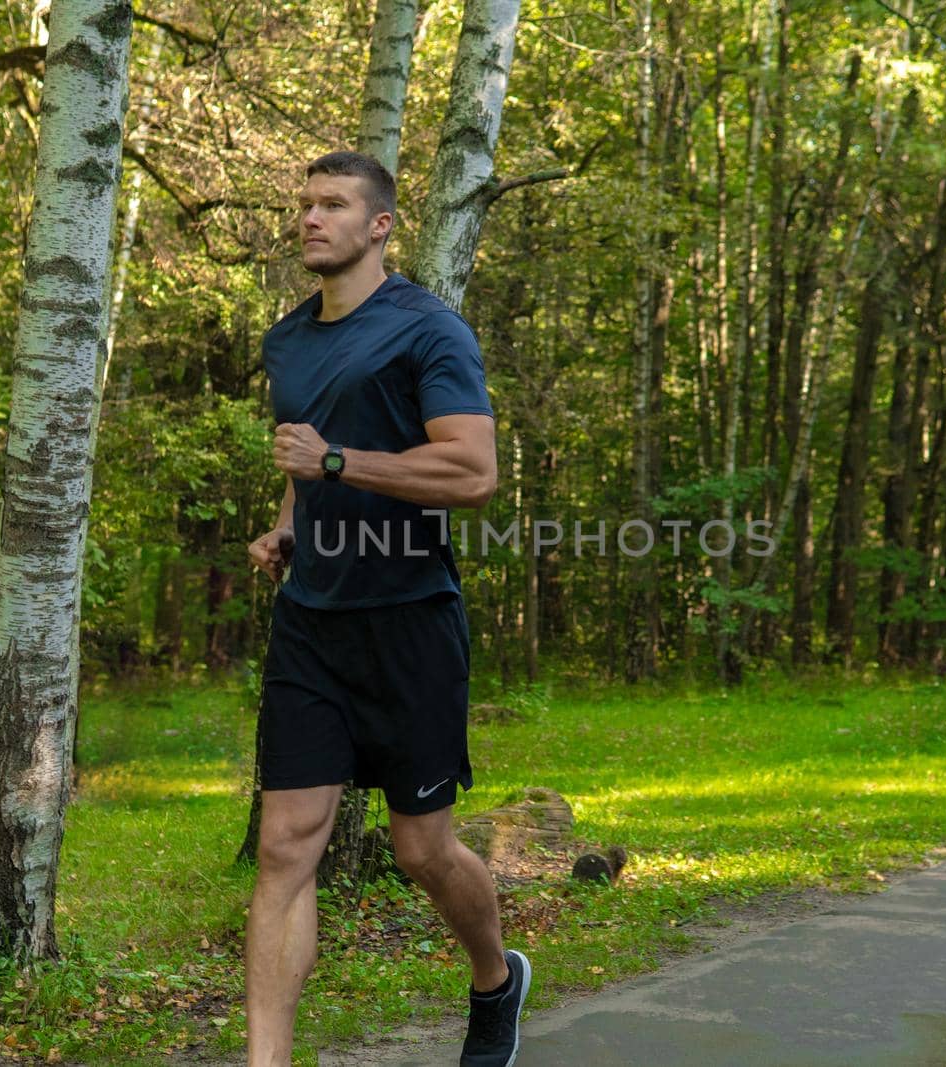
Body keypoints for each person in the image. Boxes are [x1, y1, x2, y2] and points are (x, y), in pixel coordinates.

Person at [244, 150, 530, 1067]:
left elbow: (472, 473)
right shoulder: (287, 340)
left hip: (409, 618)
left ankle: (495, 976)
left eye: (333, 204)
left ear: (381, 227)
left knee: (422, 849)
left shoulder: (430, 331)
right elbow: (308, 451)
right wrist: (291, 521)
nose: (310, 219)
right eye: (304, 204)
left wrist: (336, 463)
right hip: (312, 624)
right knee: (287, 846)